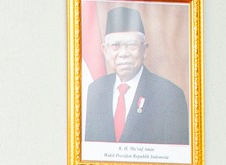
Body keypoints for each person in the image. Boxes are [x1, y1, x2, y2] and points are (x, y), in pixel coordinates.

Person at [81, 7, 191, 147]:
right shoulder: (95, 90)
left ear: (144, 50)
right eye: (115, 46)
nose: (123, 53)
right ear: (105, 50)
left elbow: (176, 155)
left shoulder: (170, 95)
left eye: (131, 45)